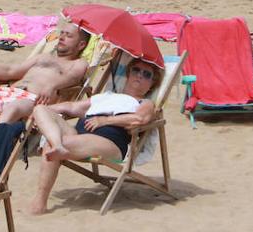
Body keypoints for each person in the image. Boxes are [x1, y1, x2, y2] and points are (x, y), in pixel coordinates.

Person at [29, 57, 160, 215]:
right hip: (78, 135)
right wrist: (39, 110)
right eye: (136, 70)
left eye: (147, 74)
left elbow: (140, 119)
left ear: (152, 84)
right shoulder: (107, 96)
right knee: (41, 110)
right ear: (128, 73)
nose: (140, 75)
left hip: (110, 142)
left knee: (52, 143)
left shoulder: (145, 103)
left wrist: (105, 120)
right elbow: (70, 106)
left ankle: (40, 202)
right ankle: (57, 144)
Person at [0, 20, 90, 124]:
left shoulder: (78, 63)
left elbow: (73, 77)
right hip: (7, 94)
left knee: (12, 108)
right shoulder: (43, 57)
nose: (62, 38)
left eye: (68, 36)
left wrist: (52, 86)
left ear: (81, 44)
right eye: (62, 33)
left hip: (33, 102)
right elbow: (11, 71)